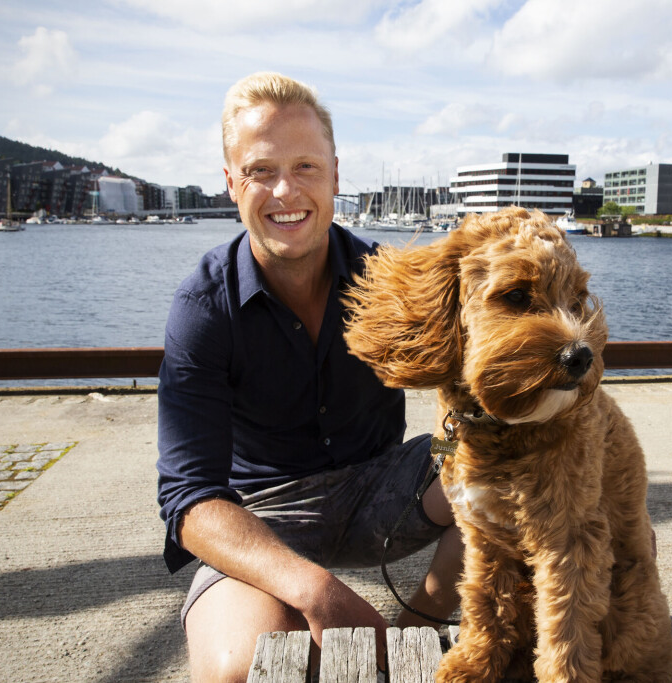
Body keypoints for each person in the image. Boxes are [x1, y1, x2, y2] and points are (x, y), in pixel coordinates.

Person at [156, 72, 463, 683]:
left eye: (305, 167)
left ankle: (420, 627)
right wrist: (316, 591)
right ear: (230, 183)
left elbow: (475, 383)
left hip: (383, 487)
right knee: (236, 670)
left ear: (336, 175)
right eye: (260, 170)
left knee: (517, 483)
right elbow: (188, 499)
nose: (284, 190)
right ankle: (295, 612)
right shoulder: (203, 307)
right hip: (262, 512)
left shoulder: (389, 279)